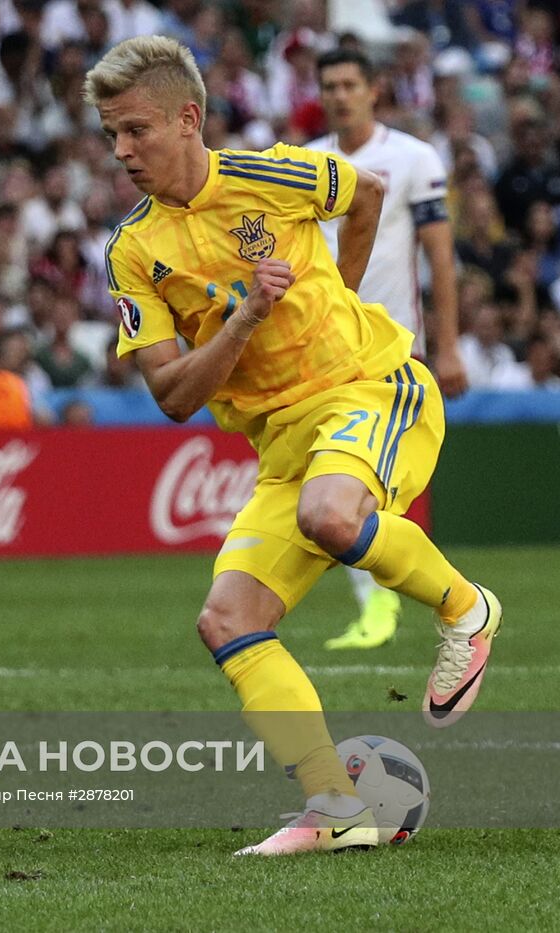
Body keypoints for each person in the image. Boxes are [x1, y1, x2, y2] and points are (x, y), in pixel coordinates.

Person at [88, 37, 501, 856]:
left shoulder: (270, 174)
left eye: (134, 130)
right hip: (284, 440)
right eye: (110, 135)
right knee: (226, 618)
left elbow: (368, 190)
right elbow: (172, 396)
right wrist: (245, 316)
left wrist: (337, 293)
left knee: (329, 514)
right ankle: (335, 805)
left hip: (371, 388)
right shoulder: (133, 250)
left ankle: (466, 606)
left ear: (188, 119)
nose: (122, 151)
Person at [309, 47, 467, 651]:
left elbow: (440, 256)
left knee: (369, 483)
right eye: (330, 85)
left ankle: (406, 602)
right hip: (320, 349)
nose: (340, 94)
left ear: (374, 89)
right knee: (334, 481)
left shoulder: (413, 158)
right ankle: (377, 603)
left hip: (391, 348)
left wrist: (447, 347)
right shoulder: (308, 163)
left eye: (350, 83)